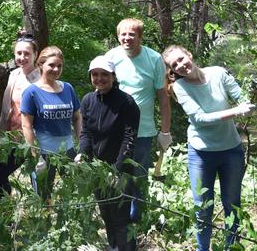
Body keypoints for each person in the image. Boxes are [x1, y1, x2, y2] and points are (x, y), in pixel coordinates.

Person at [162, 45, 255, 251]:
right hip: (201, 153)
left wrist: (248, 103)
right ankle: (203, 249)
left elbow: (241, 96)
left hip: (231, 149)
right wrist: (237, 112)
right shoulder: (180, 87)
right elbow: (200, 119)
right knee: (203, 207)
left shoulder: (218, 73)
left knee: (232, 203)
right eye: (174, 65)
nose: (180, 65)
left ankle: (231, 247)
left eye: (181, 59)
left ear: (189, 55)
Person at [105, 18, 171, 221]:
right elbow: (101, 90)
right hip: (115, 130)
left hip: (143, 131)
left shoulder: (154, 59)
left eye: (132, 34)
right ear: (118, 36)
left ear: (140, 37)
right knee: (116, 173)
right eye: (123, 34)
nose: (127, 38)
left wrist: (165, 131)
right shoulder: (111, 57)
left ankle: (136, 219)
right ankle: (117, 216)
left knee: (139, 176)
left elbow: (163, 96)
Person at [77, 56, 140, 251]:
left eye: (104, 74)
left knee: (121, 218)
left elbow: (129, 138)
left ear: (113, 76)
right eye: (95, 75)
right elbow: (86, 132)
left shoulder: (126, 102)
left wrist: (117, 170)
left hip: (121, 168)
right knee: (106, 214)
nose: (99, 79)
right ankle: (114, 247)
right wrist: (82, 154)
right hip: (97, 169)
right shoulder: (88, 100)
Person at [20, 46, 82, 200]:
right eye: (51, 65)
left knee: (73, 195)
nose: (56, 69)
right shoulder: (31, 92)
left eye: (59, 66)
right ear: (40, 65)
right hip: (44, 154)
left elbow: (77, 117)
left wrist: (82, 146)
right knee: (43, 198)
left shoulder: (68, 88)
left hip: (68, 152)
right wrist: (34, 155)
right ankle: (45, 223)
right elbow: (26, 125)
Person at [0, 30, 41, 197]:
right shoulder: (14, 75)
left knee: (37, 178)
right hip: (11, 138)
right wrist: (1, 135)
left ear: (36, 54)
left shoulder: (42, 79)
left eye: (27, 53)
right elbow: (8, 108)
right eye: (19, 53)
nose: (22, 57)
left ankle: (42, 214)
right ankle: (3, 213)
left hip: (33, 139)